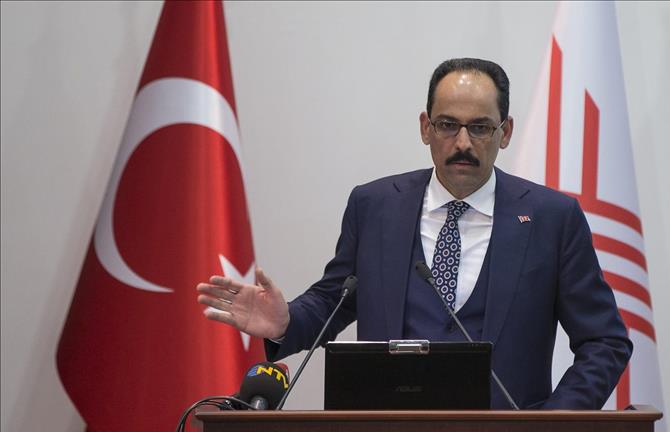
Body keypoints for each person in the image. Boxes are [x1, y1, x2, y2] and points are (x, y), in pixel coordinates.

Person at [196, 58, 632, 410]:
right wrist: (286, 322)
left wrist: (555, 422)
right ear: (426, 128)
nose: (463, 143)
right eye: (448, 125)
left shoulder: (552, 218)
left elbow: (605, 340)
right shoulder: (375, 207)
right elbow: (335, 299)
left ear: (505, 133)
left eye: (480, 127)